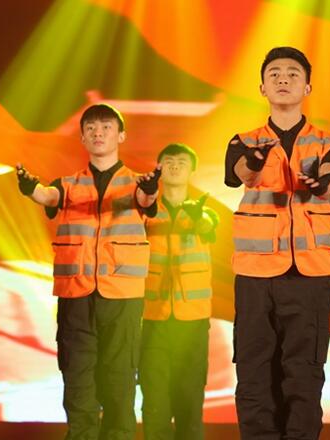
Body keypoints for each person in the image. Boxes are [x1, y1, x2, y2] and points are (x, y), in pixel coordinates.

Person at [224, 46, 330, 439]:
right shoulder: (243, 141)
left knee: (304, 373)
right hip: (256, 276)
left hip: (310, 275)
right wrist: (255, 160)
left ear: (307, 87)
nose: (283, 78)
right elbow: (243, 175)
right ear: (262, 87)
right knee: (254, 370)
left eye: (293, 73)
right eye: (274, 73)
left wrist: (322, 181)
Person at [16, 103, 159, 440]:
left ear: (121, 135)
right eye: (91, 128)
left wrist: (151, 188)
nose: (98, 133)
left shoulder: (136, 183)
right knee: (77, 377)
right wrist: (30, 187)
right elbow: (47, 196)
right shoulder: (68, 184)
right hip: (76, 296)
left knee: (119, 378)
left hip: (121, 297)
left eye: (106, 127)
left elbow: (146, 199)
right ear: (82, 138)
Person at [138, 143, 219, 440]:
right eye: (169, 161)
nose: (175, 166)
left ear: (192, 171)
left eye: (182, 162)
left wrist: (198, 218)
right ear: (159, 169)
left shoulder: (204, 213)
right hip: (153, 320)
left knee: (190, 401)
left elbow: (208, 228)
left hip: (192, 322)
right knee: (154, 401)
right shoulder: (144, 213)